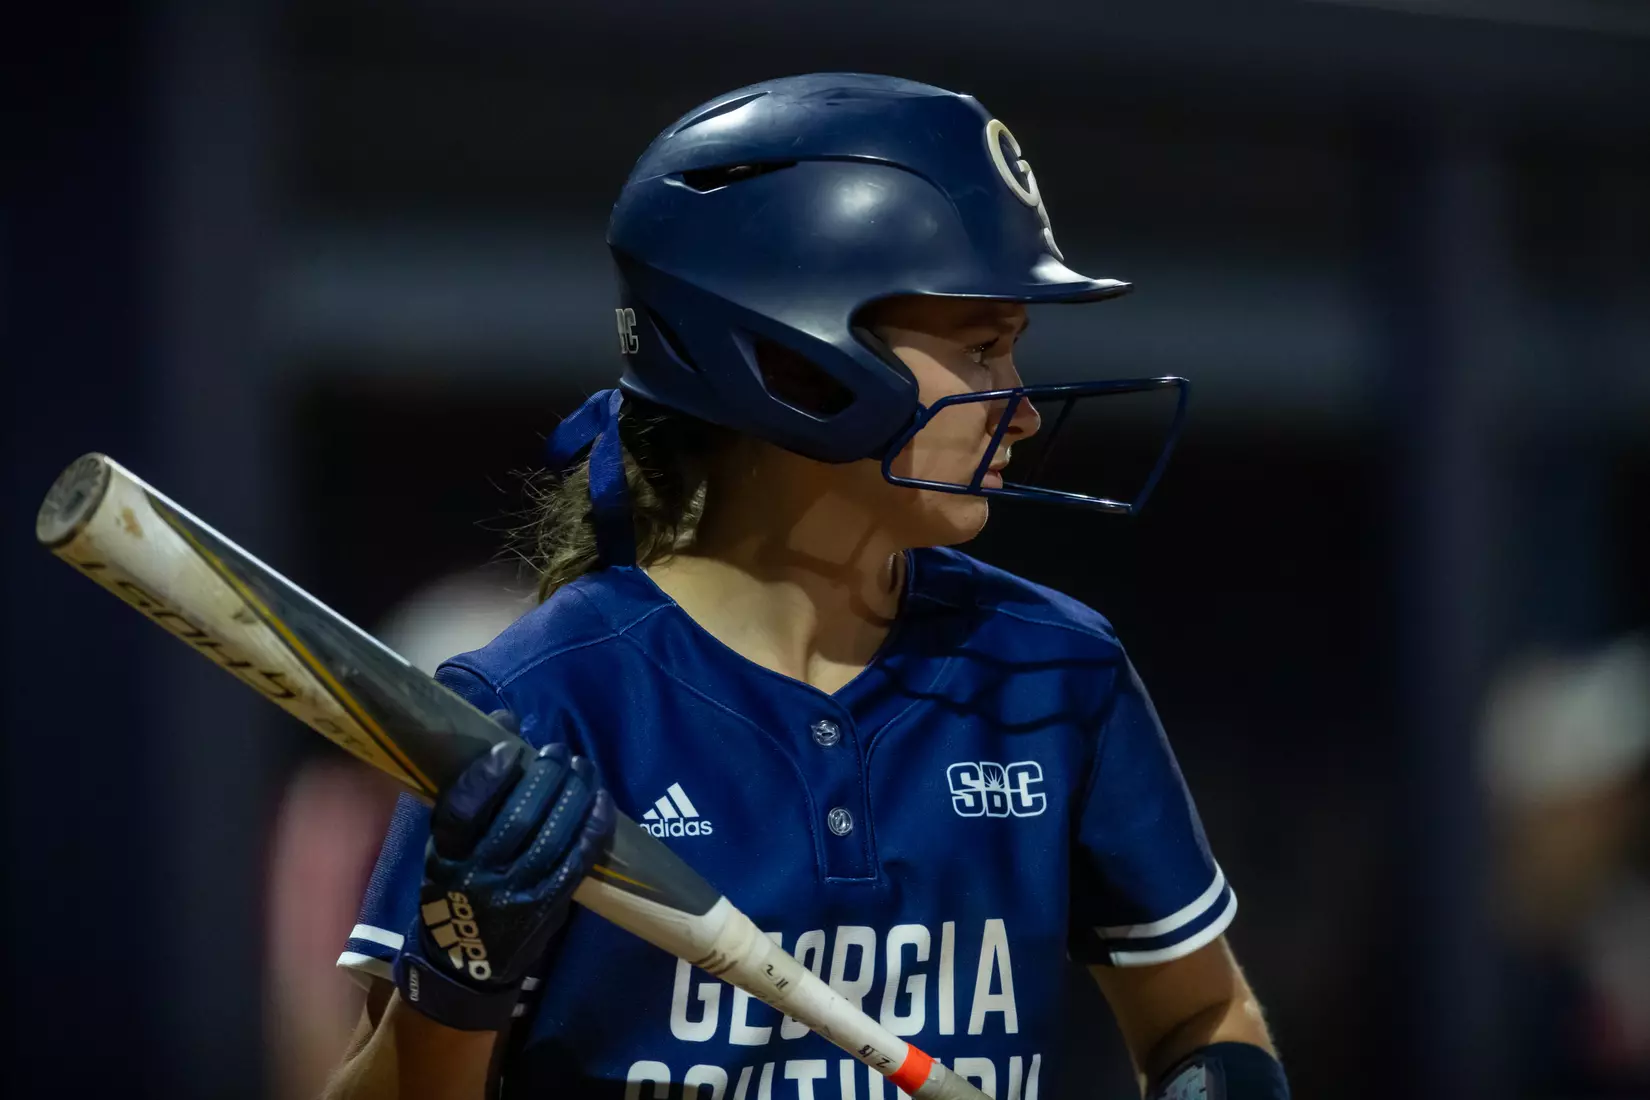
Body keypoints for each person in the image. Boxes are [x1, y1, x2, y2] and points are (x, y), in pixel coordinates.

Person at [321, 73, 1287, 1100]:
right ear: (795, 359)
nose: (1023, 409)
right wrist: (461, 973)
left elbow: (1201, 1011)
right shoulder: (542, 702)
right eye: (980, 347)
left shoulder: (1056, 670)